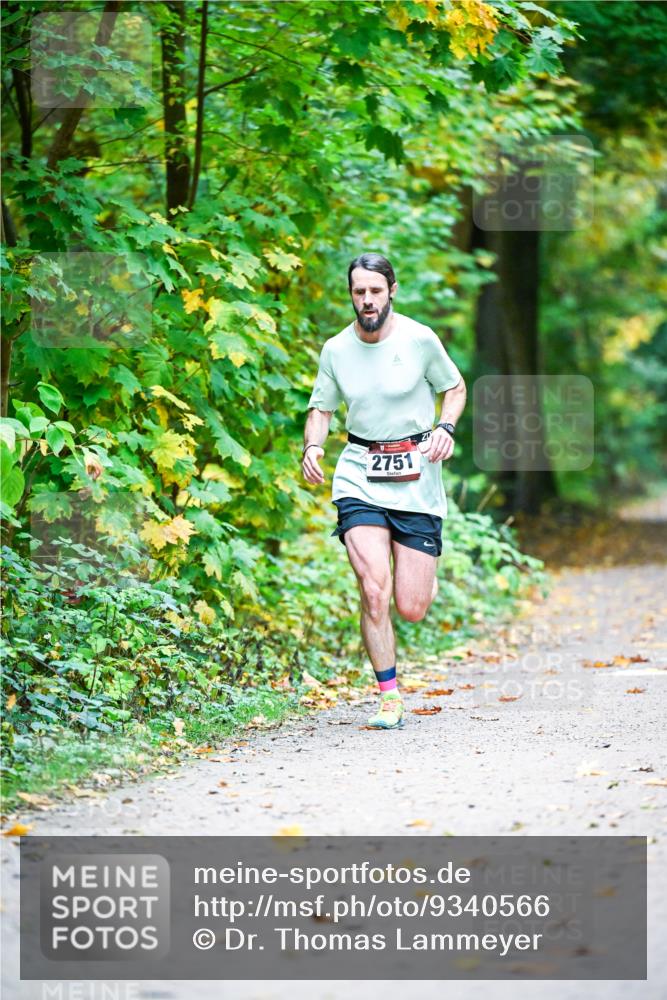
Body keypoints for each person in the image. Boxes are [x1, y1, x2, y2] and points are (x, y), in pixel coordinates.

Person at [302, 252, 467, 729]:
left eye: (375, 290)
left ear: (391, 290)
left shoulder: (419, 339)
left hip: (417, 475)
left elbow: (454, 387)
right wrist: (313, 446)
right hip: (360, 473)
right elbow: (321, 408)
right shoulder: (336, 349)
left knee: (410, 607)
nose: (367, 300)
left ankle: (423, 574)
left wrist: (446, 428)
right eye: (359, 291)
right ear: (351, 294)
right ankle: (389, 696)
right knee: (374, 590)